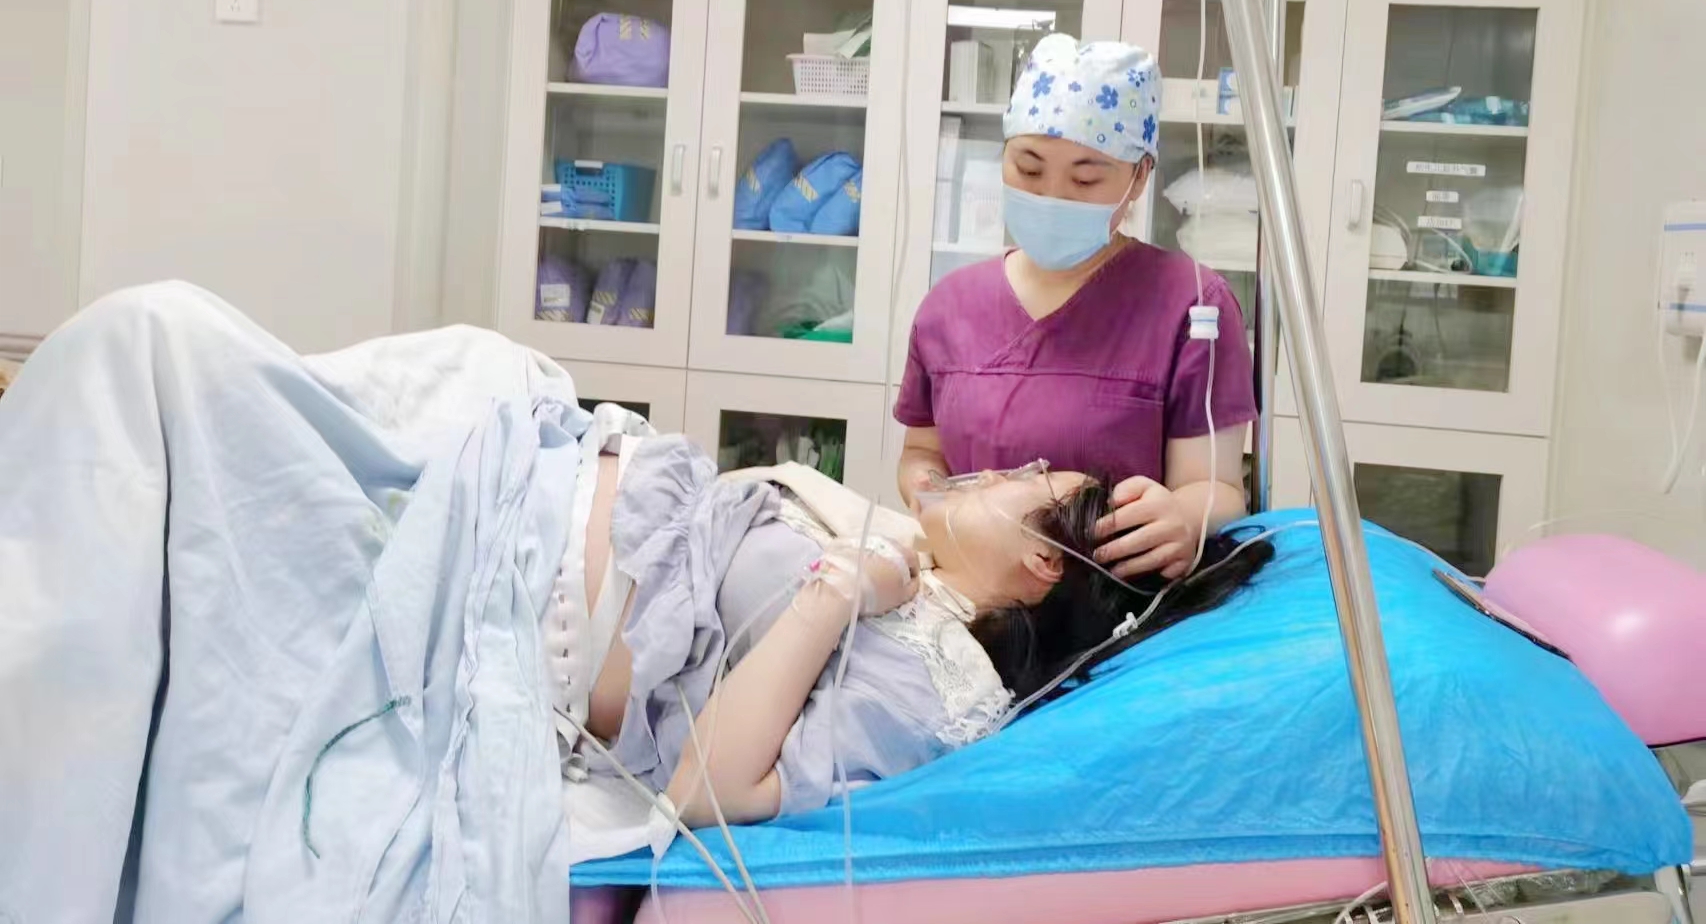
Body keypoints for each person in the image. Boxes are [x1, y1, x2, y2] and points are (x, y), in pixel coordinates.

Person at [0, 284, 1268, 921]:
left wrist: (837, 592)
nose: (990, 469)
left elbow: (710, 788)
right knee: (150, 375)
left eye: (1025, 481)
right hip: (504, 454)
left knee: (151, 352)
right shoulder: (909, 557)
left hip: (475, 573)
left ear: (1043, 567)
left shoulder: (920, 687)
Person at [897, 34, 1258, 583]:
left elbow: (1218, 489)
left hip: (1117, 604)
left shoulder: (1192, 307)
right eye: (1029, 168)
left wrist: (1185, 517)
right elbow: (922, 451)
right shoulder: (949, 306)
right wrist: (925, 485)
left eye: (1086, 177)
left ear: (1138, 176)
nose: (1052, 195)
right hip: (967, 593)